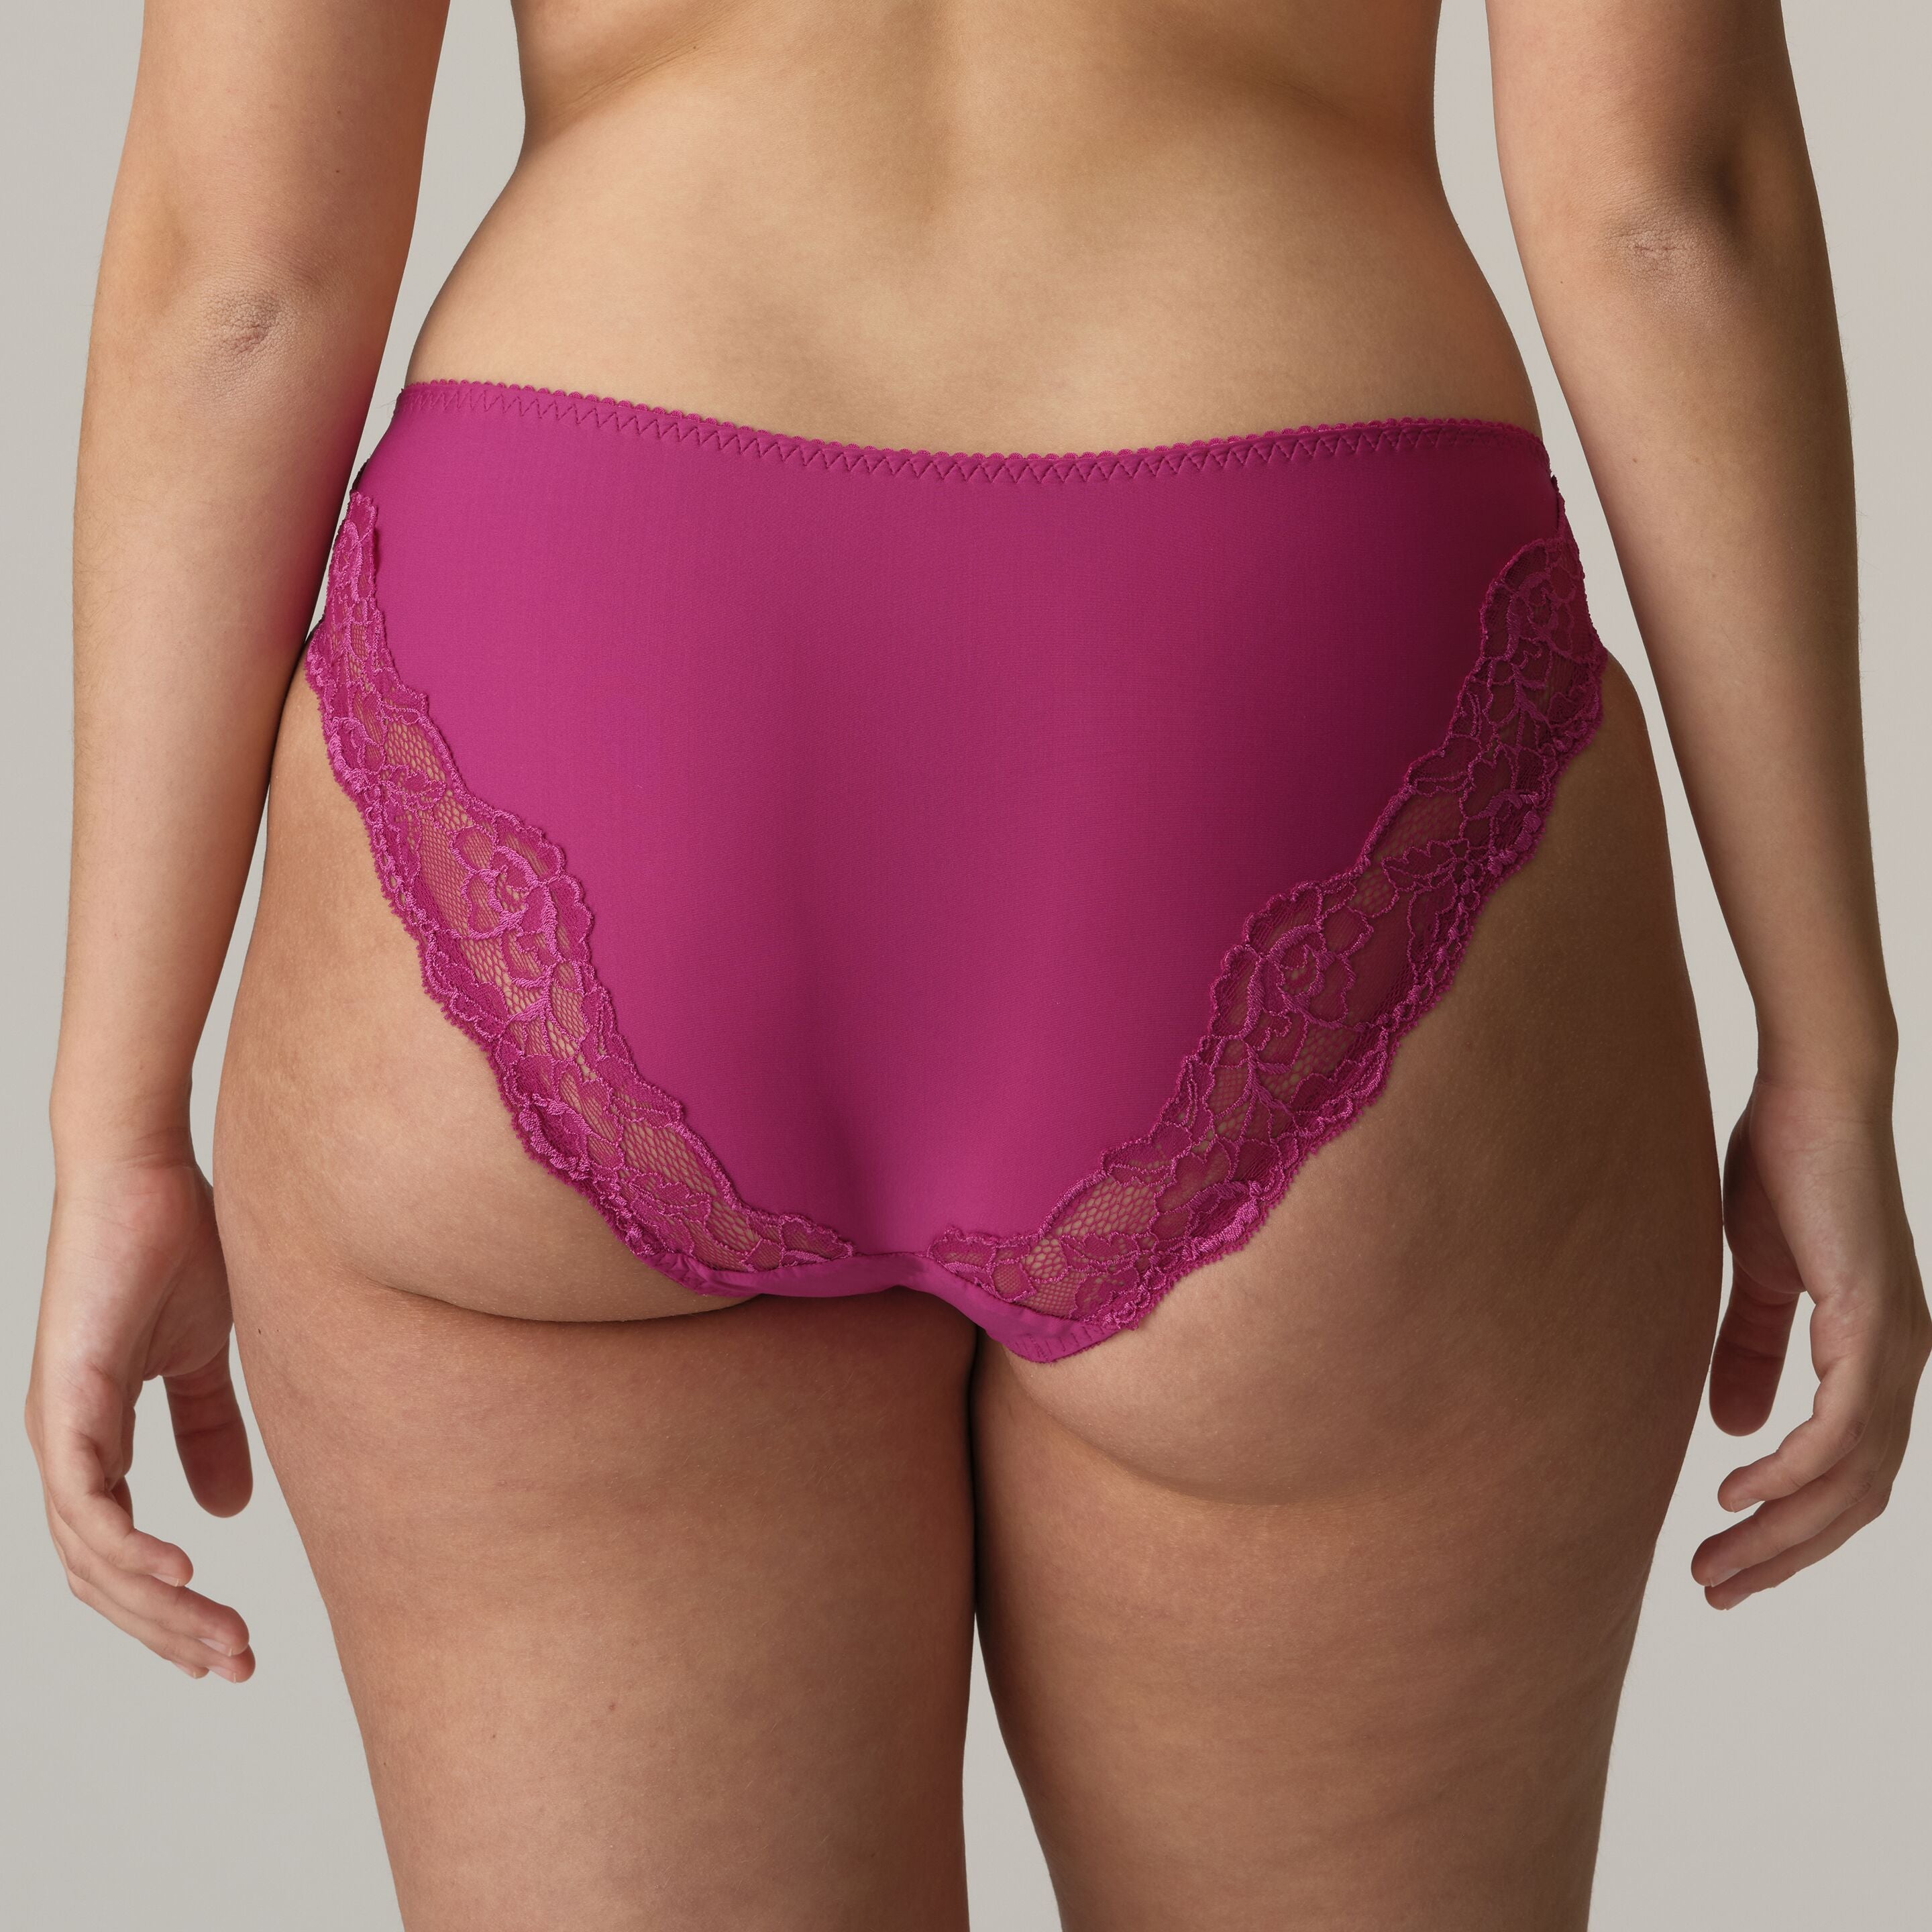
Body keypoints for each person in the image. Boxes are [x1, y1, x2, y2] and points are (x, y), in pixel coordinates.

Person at [26, 1, 1927, 1924]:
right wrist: (1831, 1052)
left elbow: (239, 281)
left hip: (593, 662)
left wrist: (114, 1122)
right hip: (1280, 643)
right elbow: (1667, 209)